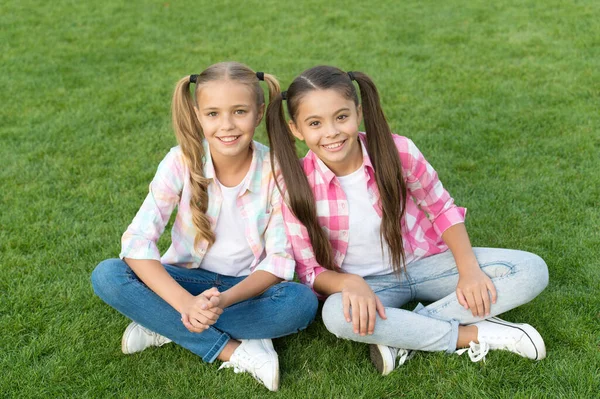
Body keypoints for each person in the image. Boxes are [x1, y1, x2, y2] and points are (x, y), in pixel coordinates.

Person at [265, 65, 549, 375]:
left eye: (341, 117)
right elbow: (309, 270)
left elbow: (440, 208)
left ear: (358, 113)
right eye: (315, 123)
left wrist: (469, 271)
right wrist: (349, 282)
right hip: (370, 287)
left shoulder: (398, 151)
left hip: (425, 262)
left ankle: (404, 335)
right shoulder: (294, 186)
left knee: (531, 270)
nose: (331, 132)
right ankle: (471, 334)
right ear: (296, 129)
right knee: (335, 314)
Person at [91, 62, 318, 391]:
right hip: (186, 282)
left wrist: (222, 301)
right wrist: (185, 303)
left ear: (259, 112)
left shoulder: (277, 170)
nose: (226, 125)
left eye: (239, 111)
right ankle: (232, 349)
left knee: (300, 303)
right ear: (197, 115)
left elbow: (280, 260)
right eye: (213, 114)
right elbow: (138, 241)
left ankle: (161, 324)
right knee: (108, 275)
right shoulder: (180, 161)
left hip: (245, 290)